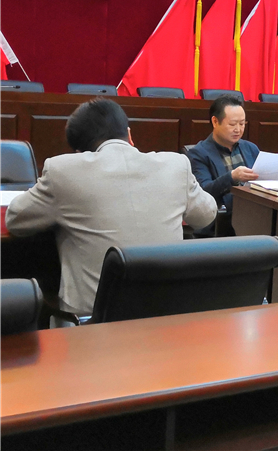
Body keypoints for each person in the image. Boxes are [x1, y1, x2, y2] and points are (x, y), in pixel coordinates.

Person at [6, 98, 217, 323]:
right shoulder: (176, 165)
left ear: (80, 151)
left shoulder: (64, 171)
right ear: (129, 134)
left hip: (91, 323)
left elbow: (16, 219)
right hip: (167, 318)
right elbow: (206, 215)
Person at [187, 95, 260, 236]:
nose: (238, 129)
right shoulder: (198, 154)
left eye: (242, 124)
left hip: (253, 216)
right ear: (215, 121)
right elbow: (203, 192)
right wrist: (232, 177)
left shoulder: (251, 149)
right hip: (219, 223)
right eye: (232, 124)